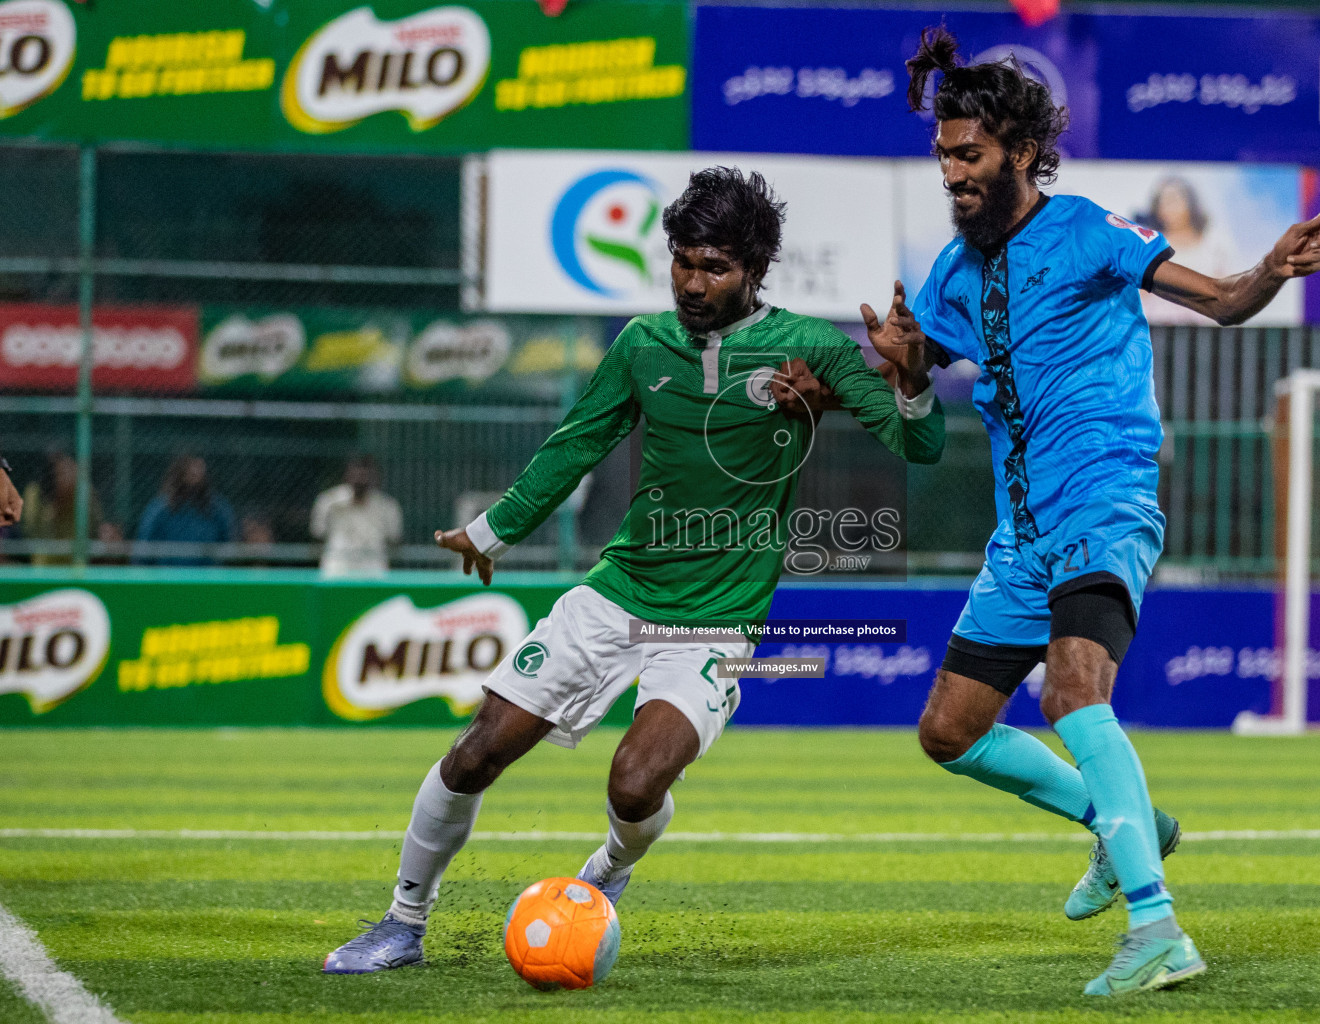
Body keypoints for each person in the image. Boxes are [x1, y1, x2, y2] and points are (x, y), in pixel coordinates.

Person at [322, 166, 944, 974]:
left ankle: (606, 873)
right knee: (477, 752)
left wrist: (917, 379)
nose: (692, 281)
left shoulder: (812, 347)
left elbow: (918, 447)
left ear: (754, 269)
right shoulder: (642, 344)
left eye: (714, 266)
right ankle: (402, 925)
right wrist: (490, 531)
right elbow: (577, 441)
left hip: (715, 623)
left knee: (634, 783)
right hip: (616, 593)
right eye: (683, 260)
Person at [868, 28, 1320, 997]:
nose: (953, 172)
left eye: (970, 155)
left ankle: (1158, 926)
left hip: (1106, 496)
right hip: (1023, 532)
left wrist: (1269, 272)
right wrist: (907, 363)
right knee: (949, 731)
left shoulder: (1086, 228)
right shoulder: (952, 275)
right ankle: (1124, 821)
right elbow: (920, 387)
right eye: (944, 155)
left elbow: (1218, 300)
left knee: (1074, 693)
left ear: (1025, 154)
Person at [1135, 177, 1238, 326]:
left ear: (1190, 203)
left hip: (1205, 330)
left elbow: (1226, 294)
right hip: (1156, 330)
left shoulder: (1214, 245)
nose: (1167, 208)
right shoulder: (1150, 246)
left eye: (1173, 200)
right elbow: (1137, 296)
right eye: (1162, 202)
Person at [310, 455, 403, 577]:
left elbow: (394, 539)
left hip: (373, 570)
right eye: (356, 473)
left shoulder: (387, 506)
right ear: (347, 475)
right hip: (337, 569)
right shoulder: (329, 501)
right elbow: (318, 534)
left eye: (365, 474)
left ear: (375, 477)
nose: (361, 479)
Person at [134, 455, 237, 566]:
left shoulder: (217, 509)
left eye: (199, 470)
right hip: (167, 577)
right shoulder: (160, 509)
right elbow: (144, 548)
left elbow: (230, 544)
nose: (195, 474)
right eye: (191, 471)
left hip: (207, 577)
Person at [21, 450, 106, 566]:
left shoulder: (84, 493)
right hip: (44, 566)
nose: (68, 475)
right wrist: (57, 506)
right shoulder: (35, 493)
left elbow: (94, 528)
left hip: (77, 566)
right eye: (61, 471)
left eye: (70, 469)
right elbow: (33, 532)